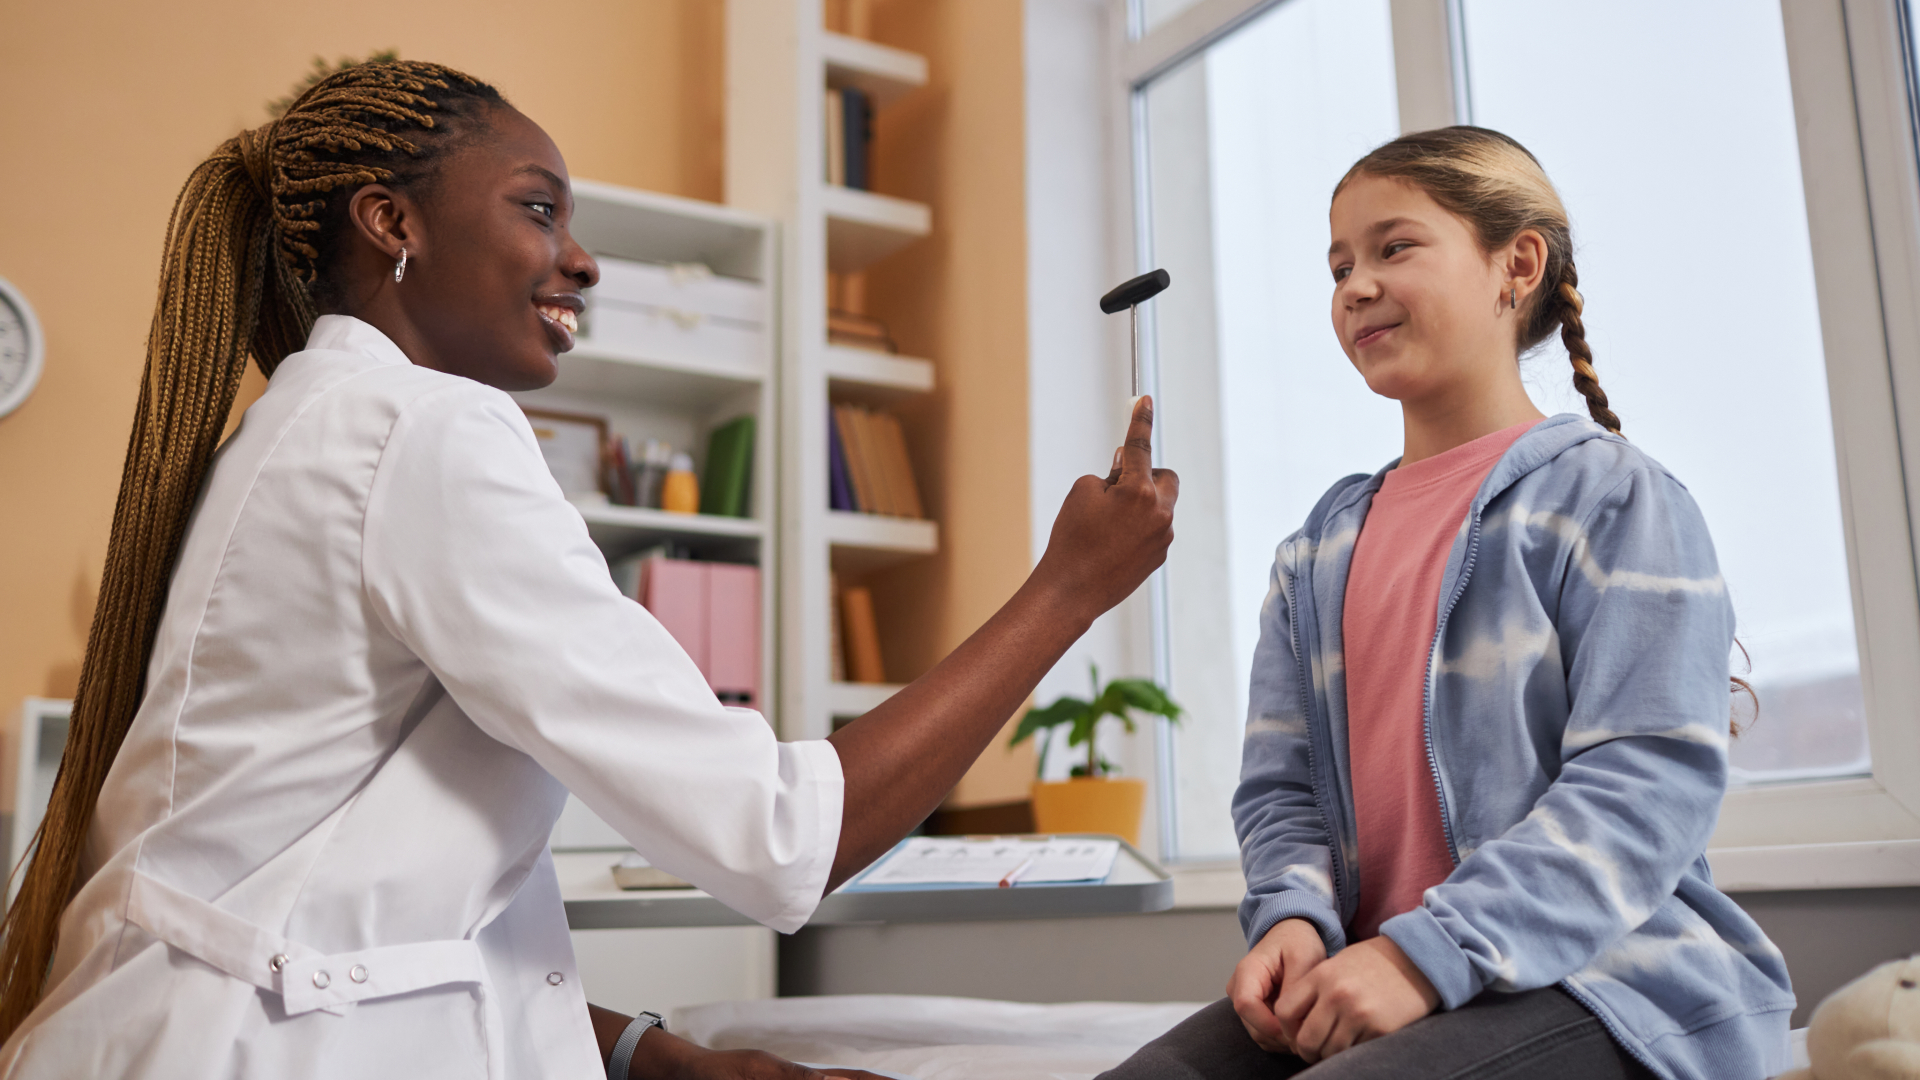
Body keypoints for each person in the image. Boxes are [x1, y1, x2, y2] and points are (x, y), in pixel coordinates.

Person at [0, 61, 1178, 1079]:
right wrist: (1069, 589)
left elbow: (370, 896)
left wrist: (657, 1056)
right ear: (391, 223)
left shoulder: (302, 432)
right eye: (538, 209)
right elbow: (781, 839)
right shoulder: (423, 431)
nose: (584, 260)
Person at [1099, 127, 1793, 1080]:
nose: (1356, 286)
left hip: (1610, 984)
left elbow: (1645, 786)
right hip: (1383, 972)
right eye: (1340, 266)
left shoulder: (1615, 499)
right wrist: (1294, 919)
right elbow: (1282, 791)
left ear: (1518, 265)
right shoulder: (1316, 555)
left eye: (1394, 247)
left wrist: (1427, 956)